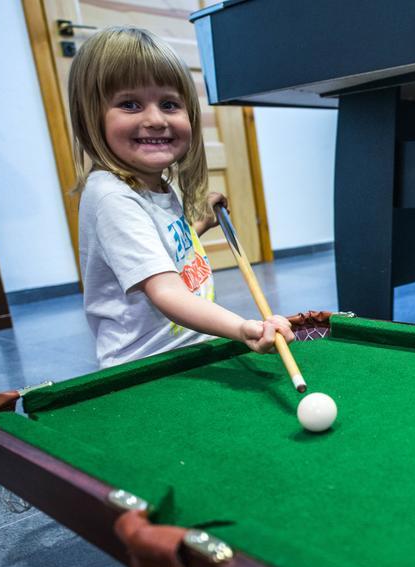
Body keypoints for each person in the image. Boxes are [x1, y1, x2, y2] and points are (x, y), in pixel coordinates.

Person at [67, 26, 292, 368]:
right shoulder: (112, 197)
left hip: (187, 348)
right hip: (144, 366)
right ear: (90, 116)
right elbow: (166, 291)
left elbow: (163, 254)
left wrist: (199, 224)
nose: (156, 120)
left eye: (170, 104)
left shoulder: (154, 183)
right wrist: (243, 327)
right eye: (130, 104)